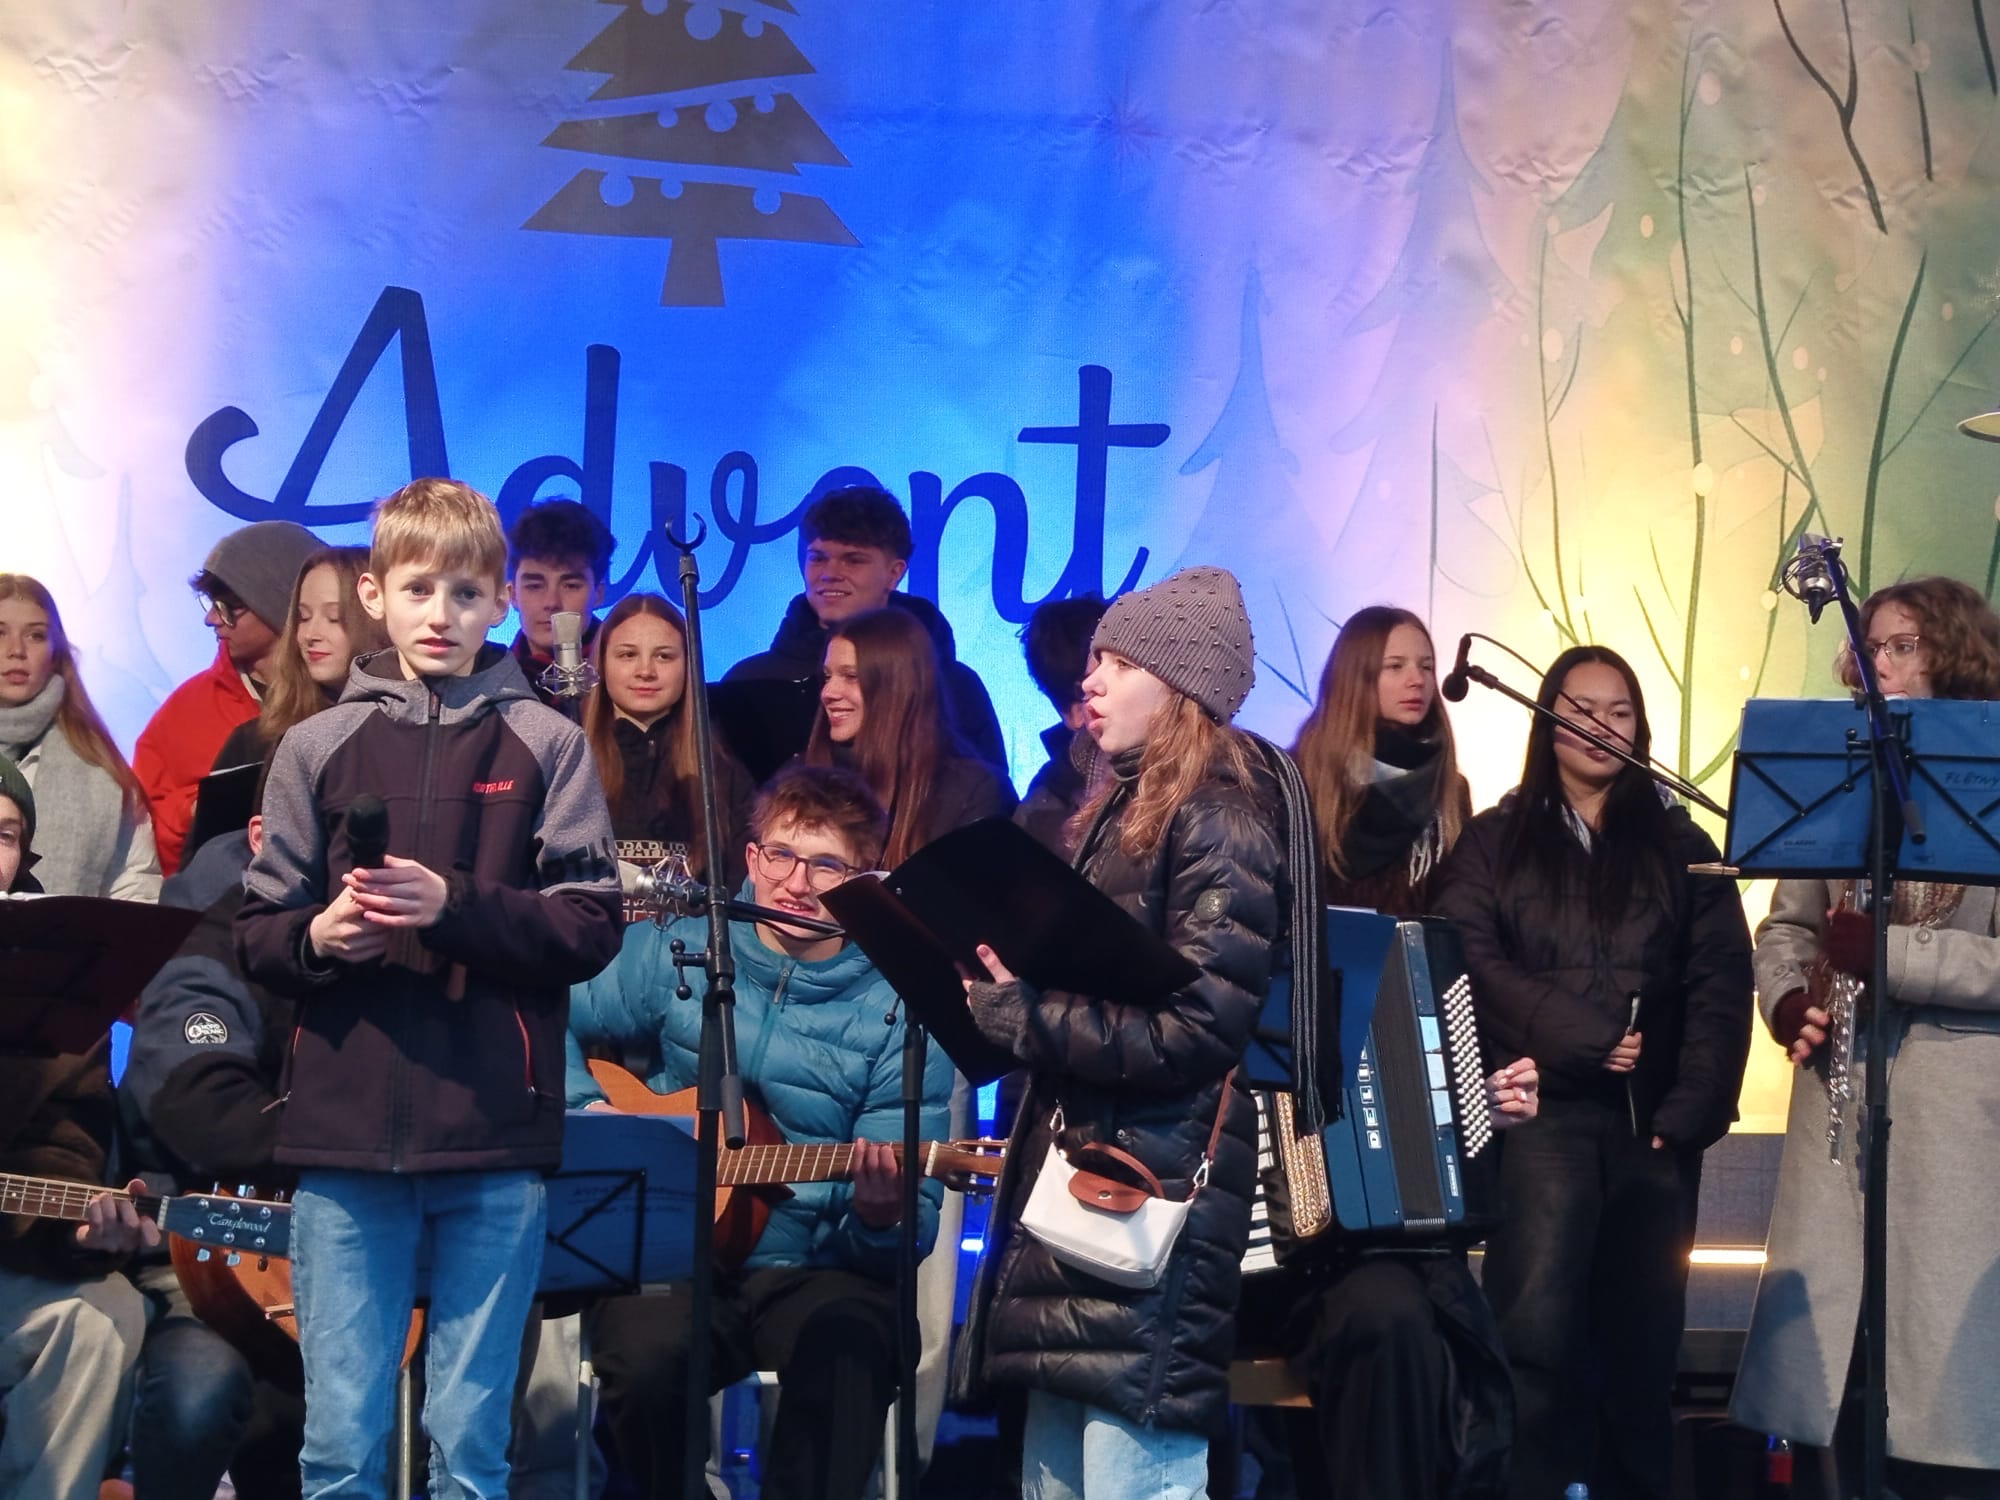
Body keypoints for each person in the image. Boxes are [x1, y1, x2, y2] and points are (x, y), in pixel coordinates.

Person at [234, 477, 623, 1497]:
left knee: (472, 1452)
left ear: (500, 602)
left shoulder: (548, 743)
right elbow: (258, 934)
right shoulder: (314, 746)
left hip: (491, 1133)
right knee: (339, 1449)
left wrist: (453, 904)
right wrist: (319, 936)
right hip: (345, 1136)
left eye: (464, 593)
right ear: (374, 596)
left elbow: (590, 923)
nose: (439, 614)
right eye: (417, 590)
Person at [958, 565, 1290, 1500]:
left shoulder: (1220, 820)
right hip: (1087, 1183)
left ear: (1180, 686)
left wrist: (1029, 1019)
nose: (1090, 680)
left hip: (1150, 1191)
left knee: (1130, 1475)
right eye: (1094, 660)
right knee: (1058, 1475)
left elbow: (1200, 1026)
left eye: (1119, 663)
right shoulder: (1121, 809)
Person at [566, 763, 955, 1500]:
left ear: (863, 881)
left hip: (817, 1265)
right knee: (643, 1357)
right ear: (751, 856)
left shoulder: (899, 1009)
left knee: (853, 1347)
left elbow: (908, 1232)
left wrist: (881, 1218)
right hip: (678, 1252)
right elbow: (549, 1013)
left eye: (826, 865)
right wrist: (589, 1109)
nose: (796, 884)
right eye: (781, 855)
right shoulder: (681, 950)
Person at [1432, 645, 1753, 1500]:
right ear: (1547, 720)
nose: (1601, 727)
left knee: (1642, 1356)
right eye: (1581, 709)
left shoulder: (1685, 844)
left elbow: (1721, 982)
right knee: (1533, 1344)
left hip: (1653, 1130)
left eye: (1620, 712)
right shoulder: (1497, 839)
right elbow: (1466, 956)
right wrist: (1585, 1036)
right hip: (1540, 1120)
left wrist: (1691, 1110)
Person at [1227, 605, 1516, 1500]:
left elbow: (1453, 960)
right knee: (1372, 1307)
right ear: (1356, 676)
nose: (1418, 680)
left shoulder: (1452, 800)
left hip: (1404, 1079)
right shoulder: (1286, 791)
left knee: (1420, 1321)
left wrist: (1473, 1076)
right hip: (1291, 1094)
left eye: (1425, 663)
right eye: (1396, 664)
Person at [1732, 576, 2000, 1500]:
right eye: (1872, 647)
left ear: (1953, 654)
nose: (1880, 663)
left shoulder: (1989, 773)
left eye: (1904, 646)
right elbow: (1788, 928)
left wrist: (1891, 956)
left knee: (1942, 1405)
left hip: (1959, 1127)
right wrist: (1784, 999)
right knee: (1838, 1392)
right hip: (1842, 1111)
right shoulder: (1842, 769)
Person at [118, 800, 306, 1500]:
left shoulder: (386, 939)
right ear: (261, 837)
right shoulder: (206, 939)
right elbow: (198, 1108)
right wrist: (347, 1140)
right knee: (200, 1391)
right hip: (197, 1258)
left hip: (337, 1254)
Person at [0, 751, 156, 1500]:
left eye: (5, 834)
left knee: (104, 1316)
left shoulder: (62, 978)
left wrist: (75, 1232)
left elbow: (63, 1151)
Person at [724, 484, 1007, 774]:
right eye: (818, 558)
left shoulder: (954, 686)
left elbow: (986, 793)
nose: (830, 574)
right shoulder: (748, 683)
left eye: (853, 560)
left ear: (894, 573)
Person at [135, 518, 321, 873]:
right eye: (211, 604)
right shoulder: (185, 710)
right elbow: (140, 835)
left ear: (280, 604)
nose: (211, 619)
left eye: (228, 607)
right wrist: (197, 811)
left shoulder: (351, 696)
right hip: (217, 897)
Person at [805, 606, 1016, 867]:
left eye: (851, 676)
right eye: (827, 676)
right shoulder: (805, 776)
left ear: (898, 687)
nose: (828, 692)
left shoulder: (972, 791)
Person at [583, 591, 755, 900]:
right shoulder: (569, 764)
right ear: (602, 664)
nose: (646, 671)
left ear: (688, 666)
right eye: (627, 655)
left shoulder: (722, 773)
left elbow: (741, 890)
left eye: (664, 656)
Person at [0, 573, 161, 900]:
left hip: (67, 934)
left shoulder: (100, 765)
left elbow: (135, 883)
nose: (16, 650)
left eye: (35, 635)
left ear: (56, 651)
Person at [211, 545, 390, 775]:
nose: (310, 635)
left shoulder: (420, 731)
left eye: (334, 618)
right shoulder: (255, 744)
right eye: (303, 618)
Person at [1014, 594, 1107, 855]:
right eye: (1088, 689)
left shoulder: (1192, 771)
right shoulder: (1041, 810)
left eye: (1125, 666)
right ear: (1074, 712)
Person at [507, 497, 613, 711]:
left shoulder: (629, 680)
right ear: (512, 595)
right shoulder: (489, 683)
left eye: (571, 586)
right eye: (534, 586)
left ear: (598, 593)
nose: (551, 602)